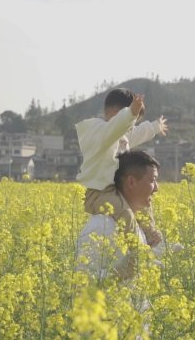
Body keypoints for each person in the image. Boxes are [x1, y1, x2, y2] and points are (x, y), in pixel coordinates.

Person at [75, 88, 167, 249]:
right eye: (132, 122)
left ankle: (153, 240)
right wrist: (131, 112)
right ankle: (136, 252)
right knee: (126, 214)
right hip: (100, 194)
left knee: (144, 206)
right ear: (120, 114)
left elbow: (135, 134)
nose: (131, 128)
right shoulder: (99, 132)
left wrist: (154, 127)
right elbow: (119, 126)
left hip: (117, 190)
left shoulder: (117, 134)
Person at [76, 150, 165, 280]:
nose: (156, 188)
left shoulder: (136, 226)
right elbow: (82, 281)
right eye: (152, 180)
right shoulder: (101, 226)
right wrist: (120, 273)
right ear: (131, 182)